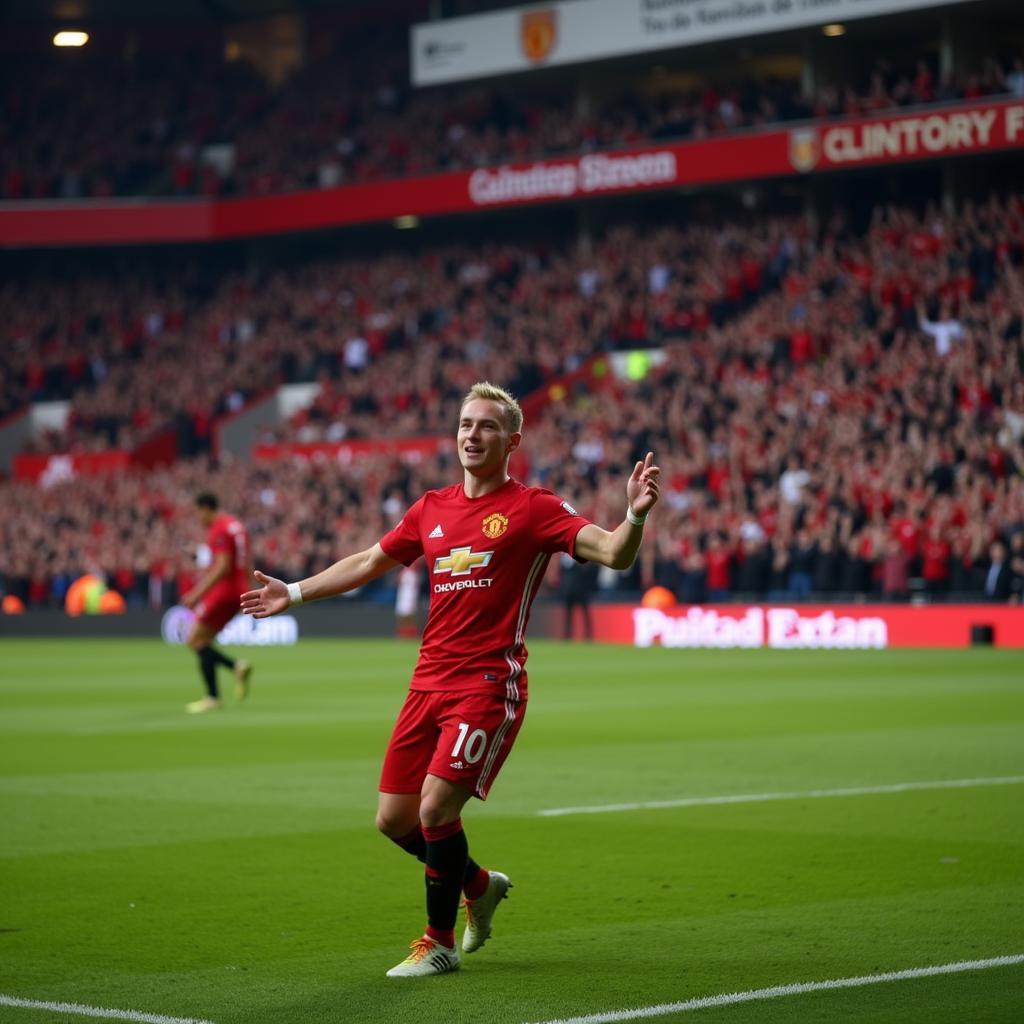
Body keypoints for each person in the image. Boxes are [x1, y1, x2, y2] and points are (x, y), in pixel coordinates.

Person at [241, 382, 661, 978]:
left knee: (437, 809)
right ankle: (479, 885)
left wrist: (634, 518)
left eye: (487, 426)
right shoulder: (431, 508)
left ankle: (436, 942)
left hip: (488, 683)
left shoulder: (536, 507)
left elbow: (615, 552)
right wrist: (297, 591)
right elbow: (367, 561)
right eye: (466, 424)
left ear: (512, 441)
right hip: (426, 684)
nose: (472, 434)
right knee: (394, 820)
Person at [180, 492, 253, 713]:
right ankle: (233, 671)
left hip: (225, 591)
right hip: (239, 589)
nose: (198, 518)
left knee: (193, 639)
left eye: (197, 513)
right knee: (204, 641)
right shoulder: (236, 526)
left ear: (205, 508)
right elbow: (246, 561)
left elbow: (223, 566)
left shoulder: (219, 529)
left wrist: (197, 592)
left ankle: (216, 693)